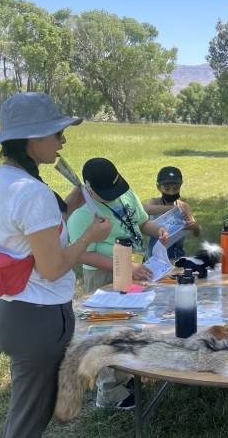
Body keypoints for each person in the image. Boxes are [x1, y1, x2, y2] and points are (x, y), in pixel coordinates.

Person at [0, 92, 113, 438]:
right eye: (57, 134)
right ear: (32, 138)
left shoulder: (6, 178)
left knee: (26, 413)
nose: (63, 141)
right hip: (37, 318)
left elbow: (27, 236)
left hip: (15, 311)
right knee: (29, 422)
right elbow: (53, 268)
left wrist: (64, 211)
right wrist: (88, 234)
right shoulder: (33, 192)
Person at [67, 157, 169, 410]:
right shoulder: (82, 215)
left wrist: (157, 230)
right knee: (107, 331)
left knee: (131, 323)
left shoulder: (125, 193)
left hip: (134, 270)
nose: (114, 195)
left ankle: (126, 375)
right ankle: (110, 392)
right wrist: (125, 266)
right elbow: (83, 254)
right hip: (103, 276)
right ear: (89, 188)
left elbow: (142, 223)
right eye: (106, 193)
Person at [144, 166, 201, 260]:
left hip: (178, 255)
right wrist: (172, 208)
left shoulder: (183, 206)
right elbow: (148, 209)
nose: (171, 193)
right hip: (156, 256)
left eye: (175, 189)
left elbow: (196, 233)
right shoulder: (155, 202)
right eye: (167, 189)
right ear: (159, 187)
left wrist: (193, 226)